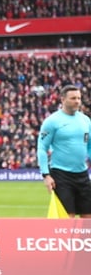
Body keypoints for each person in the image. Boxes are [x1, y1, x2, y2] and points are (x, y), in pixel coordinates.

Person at [37, 84, 91, 218]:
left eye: (79, 98)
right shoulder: (52, 121)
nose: (77, 101)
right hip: (61, 175)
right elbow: (42, 148)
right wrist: (46, 175)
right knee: (67, 219)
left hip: (83, 175)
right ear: (62, 99)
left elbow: (89, 146)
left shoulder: (86, 120)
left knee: (88, 218)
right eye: (73, 98)